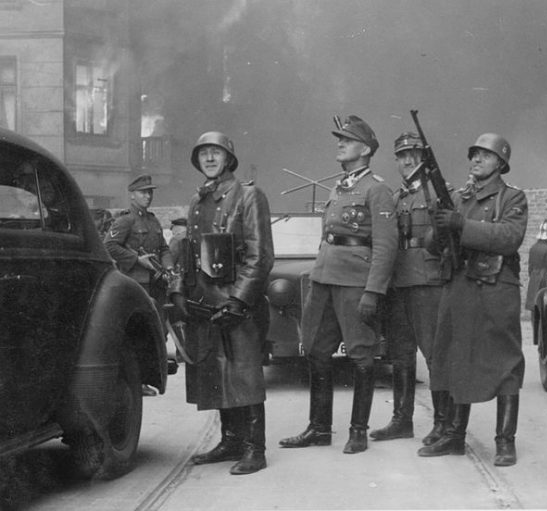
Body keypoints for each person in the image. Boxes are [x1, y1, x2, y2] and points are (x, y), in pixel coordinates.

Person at [279, 115, 397, 454]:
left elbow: (386, 247)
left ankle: (358, 431)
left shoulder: (377, 189)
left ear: (365, 149)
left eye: (346, 140)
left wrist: (373, 291)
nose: (339, 144)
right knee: (316, 350)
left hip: (355, 283)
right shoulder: (340, 187)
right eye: (339, 139)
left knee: (361, 355)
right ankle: (319, 428)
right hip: (324, 279)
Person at [418, 132, 528, 467]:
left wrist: (460, 224)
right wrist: (440, 227)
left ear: (500, 163)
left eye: (484, 155)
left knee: (505, 364)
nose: (475, 160)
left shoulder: (512, 197)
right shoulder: (460, 197)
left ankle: (505, 443)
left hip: (496, 287)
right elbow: (430, 245)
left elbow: (509, 237)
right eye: (474, 155)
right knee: (455, 358)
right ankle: (454, 435)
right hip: (460, 286)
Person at [169, 131, 274, 476]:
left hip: (235, 301)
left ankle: (254, 449)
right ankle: (230, 440)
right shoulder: (198, 200)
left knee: (244, 373)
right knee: (216, 371)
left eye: (216, 153)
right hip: (204, 300)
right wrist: (179, 291)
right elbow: (187, 252)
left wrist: (239, 300)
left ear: (229, 158)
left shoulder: (248, 196)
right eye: (203, 154)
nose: (209, 159)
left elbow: (260, 258)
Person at [369, 132, 446, 444]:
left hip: (428, 282)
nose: (408, 160)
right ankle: (402, 420)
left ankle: (443, 423)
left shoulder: (438, 194)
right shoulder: (397, 198)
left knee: (434, 354)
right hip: (399, 284)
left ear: (424, 157)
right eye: (402, 156)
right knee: (400, 355)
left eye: (414, 154)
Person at [105, 174, 174, 397]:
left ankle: (149, 377)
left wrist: (169, 267)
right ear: (132, 195)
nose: (148, 196)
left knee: (158, 331)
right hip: (137, 284)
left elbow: (163, 248)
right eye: (143, 192)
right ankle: (136, 382)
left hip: (156, 283)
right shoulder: (125, 221)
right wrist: (136, 259)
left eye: (150, 192)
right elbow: (110, 246)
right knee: (138, 331)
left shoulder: (153, 221)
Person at [525, 219, 547, 317]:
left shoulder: (533, 247)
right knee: (543, 303)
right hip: (544, 276)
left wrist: (533, 275)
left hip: (534, 276)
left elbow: (530, 266)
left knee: (534, 304)